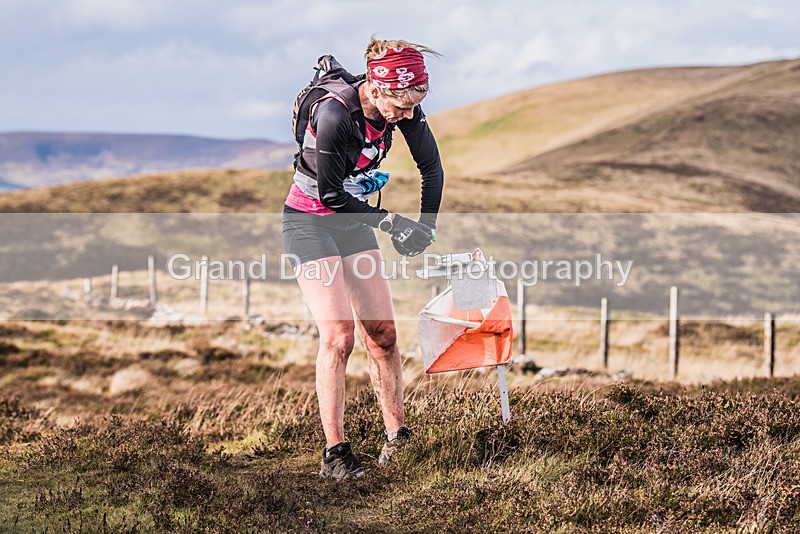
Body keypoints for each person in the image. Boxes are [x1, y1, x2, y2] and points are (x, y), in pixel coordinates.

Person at [282, 37, 444, 480]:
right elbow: (331, 195)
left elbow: (432, 167)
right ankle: (335, 453)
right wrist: (393, 223)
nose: (408, 116)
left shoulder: (402, 108)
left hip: (352, 223)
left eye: (415, 106)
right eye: (402, 106)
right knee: (338, 336)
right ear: (376, 87)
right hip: (310, 224)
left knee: (384, 334)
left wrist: (425, 227)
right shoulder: (336, 114)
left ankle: (398, 439)